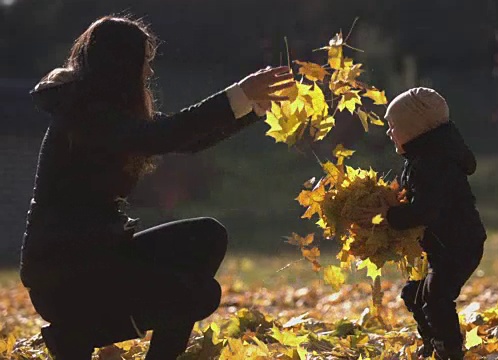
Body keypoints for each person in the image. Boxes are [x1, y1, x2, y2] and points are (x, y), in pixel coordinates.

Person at [19, 16, 294, 359]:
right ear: (121, 65)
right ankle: (75, 333)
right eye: (143, 64)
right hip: (68, 275)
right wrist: (238, 94)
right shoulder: (86, 115)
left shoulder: (102, 112)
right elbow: (166, 136)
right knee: (196, 295)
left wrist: (252, 106)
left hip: (99, 256)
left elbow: (185, 140)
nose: (148, 74)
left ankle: (81, 332)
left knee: (207, 236)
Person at [362, 88, 486, 359]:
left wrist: (392, 216)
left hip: (459, 244)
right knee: (414, 294)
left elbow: (426, 211)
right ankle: (434, 341)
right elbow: (416, 200)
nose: (389, 132)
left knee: (436, 298)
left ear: (413, 129)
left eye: (393, 126)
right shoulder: (422, 159)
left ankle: (449, 350)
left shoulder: (435, 164)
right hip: (443, 245)